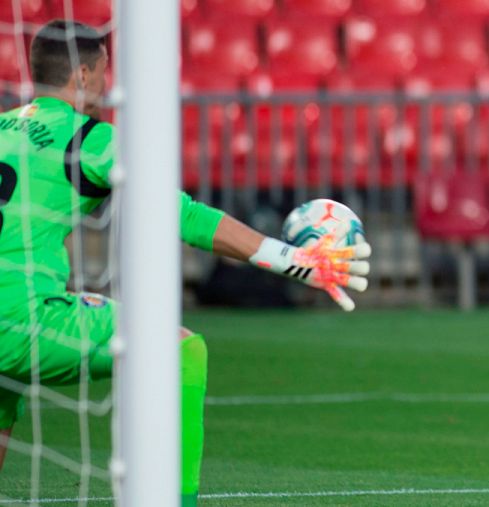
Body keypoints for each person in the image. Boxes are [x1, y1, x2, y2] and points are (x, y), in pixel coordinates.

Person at [0, 20, 371, 506]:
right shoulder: (90, 137)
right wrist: (295, 261)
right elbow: (185, 217)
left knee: (6, 385)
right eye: (105, 75)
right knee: (181, 350)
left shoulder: (4, 127)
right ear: (86, 76)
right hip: (24, 318)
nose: (107, 89)